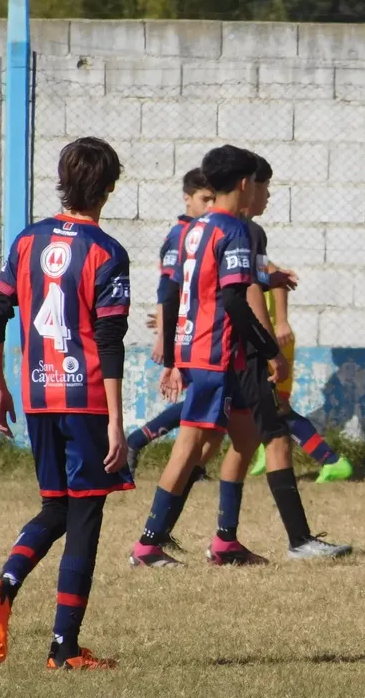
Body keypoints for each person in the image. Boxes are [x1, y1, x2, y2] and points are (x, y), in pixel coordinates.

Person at [0, 137, 133, 670]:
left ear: (63, 181)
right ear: (109, 189)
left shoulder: (26, 242)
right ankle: (64, 648)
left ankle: (6, 582)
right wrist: (116, 421)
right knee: (86, 516)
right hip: (86, 399)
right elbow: (109, 343)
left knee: (56, 507)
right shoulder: (107, 252)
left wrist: (0, 386)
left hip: (39, 396)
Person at [213, 154, 352, 563]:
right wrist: (270, 348)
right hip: (246, 352)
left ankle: (222, 539)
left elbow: (250, 286)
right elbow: (244, 296)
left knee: (237, 444)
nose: (268, 194)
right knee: (268, 440)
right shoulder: (244, 231)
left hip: (227, 350)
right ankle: (298, 540)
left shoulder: (231, 231)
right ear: (246, 185)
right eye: (264, 185)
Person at [245, 159, 353, 485]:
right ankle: (269, 452)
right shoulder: (237, 242)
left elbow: (278, 280)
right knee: (263, 408)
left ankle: (331, 460)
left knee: (276, 407)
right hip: (255, 339)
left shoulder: (251, 245)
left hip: (270, 340)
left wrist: (281, 324)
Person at [125, 169, 215, 476]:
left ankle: (192, 464)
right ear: (187, 198)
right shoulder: (182, 236)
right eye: (205, 199)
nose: (211, 205)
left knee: (206, 400)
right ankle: (138, 442)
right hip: (189, 333)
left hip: (199, 327)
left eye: (215, 199)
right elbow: (170, 288)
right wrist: (165, 333)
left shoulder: (203, 232)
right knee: (203, 398)